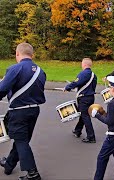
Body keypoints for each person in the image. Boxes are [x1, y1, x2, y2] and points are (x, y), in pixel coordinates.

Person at [0, 42, 46, 180]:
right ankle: (9, 165)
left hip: (19, 111)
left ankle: (33, 173)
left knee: (21, 141)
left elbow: (2, 89)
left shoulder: (15, 69)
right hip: (34, 110)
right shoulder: (41, 71)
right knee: (22, 140)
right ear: (32, 55)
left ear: (17, 54)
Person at [65, 58, 97, 143]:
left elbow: (76, 83)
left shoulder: (84, 73)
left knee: (85, 116)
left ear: (84, 64)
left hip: (84, 98)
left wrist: (67, 87)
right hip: (90, 97)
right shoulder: (94, 75)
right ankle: (77, 130)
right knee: (84, 115)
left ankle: (91, 137)